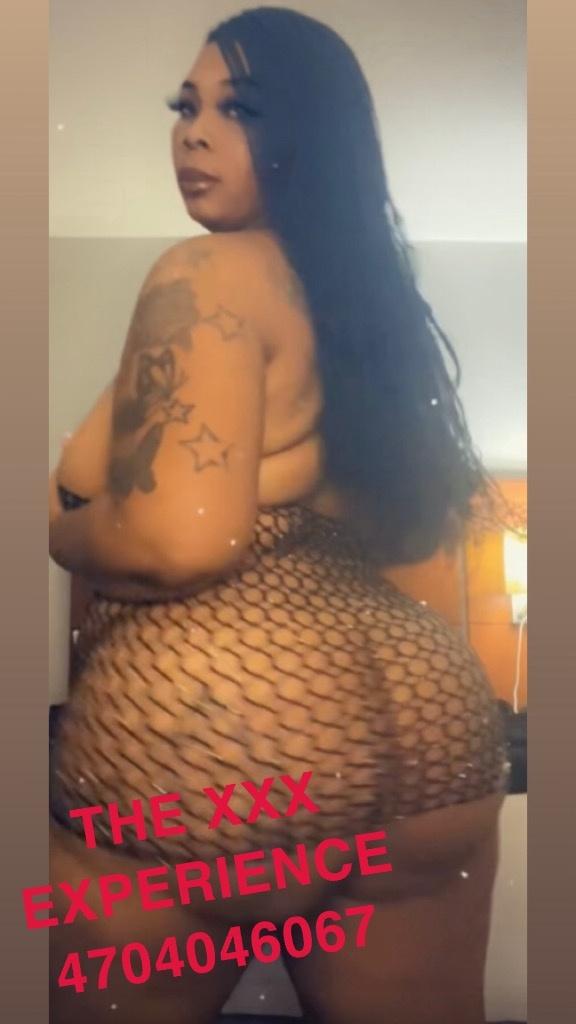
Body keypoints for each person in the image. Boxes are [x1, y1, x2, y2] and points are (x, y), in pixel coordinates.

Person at [48, 7, 508, 1023]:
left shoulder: (206, 272)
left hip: (229, 768)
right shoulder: (369, 311)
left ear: (310, 136)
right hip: (433, 752)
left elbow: (177, 539)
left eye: (240, 109)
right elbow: (406, 542)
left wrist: (62, 528)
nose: (194, 134)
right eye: (186, 107)